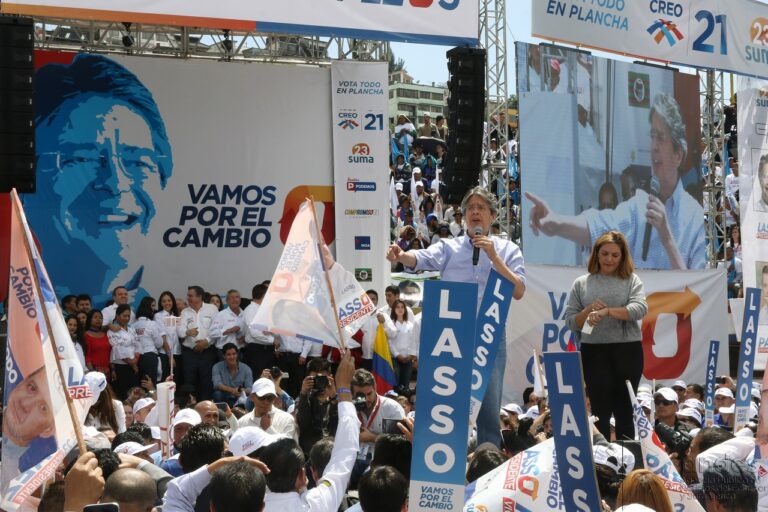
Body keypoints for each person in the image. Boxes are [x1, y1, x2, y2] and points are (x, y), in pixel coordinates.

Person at [27, 53, 173, 306]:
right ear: (28, 189)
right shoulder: (14, 324)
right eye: (82, 159)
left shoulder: (161, 315)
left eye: (138, 162)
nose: (116, 183)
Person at [387, 186, 526, 446]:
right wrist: (401, 255)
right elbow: (421, 258)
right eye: (469, 208)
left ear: (492, 216)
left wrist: (493, 257)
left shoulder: (508, 250)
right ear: (462, 217)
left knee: (488, 407)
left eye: (480, 208)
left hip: (489, 335)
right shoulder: (448, 247)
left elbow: (518, 290)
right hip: (451, 335)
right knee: (448, 404)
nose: (474, 212)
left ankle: (487, 464)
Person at [526, 93, 705, 269]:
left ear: (678, 155)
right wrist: (557, 223)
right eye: (652, 137)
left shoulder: (695, 218)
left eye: (661, 138)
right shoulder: (639, 206)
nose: (653, 147)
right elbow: (598, 226)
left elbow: (698, 294)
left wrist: (667, 238)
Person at [564, 231, 648, 440]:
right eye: (605, 254)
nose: (609, 259)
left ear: (622, 257)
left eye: (615, 255)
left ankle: (627, 461)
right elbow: (571, 321)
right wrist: (589, 310)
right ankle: (601, 464)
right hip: (594, 351)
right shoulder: (581, 283)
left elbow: (640, 309)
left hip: (627, 350)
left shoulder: (631, 280)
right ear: (596, 254)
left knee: (625, 413)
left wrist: (608, 311)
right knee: (599, 412)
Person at [260, 351, 359, 512]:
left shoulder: (250, 505)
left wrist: (335, 397)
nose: (319, 382)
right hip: (310, 457)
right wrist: (343, 390)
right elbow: (346, 449)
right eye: (314, 378)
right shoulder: (317, 504)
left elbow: (337, 427)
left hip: (329, 454)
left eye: (323, 377)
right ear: (303, 475)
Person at [1, 366, 57, 494]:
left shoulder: (37, 476)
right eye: (32, 387)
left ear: (48, 429)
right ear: (21, 382)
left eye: (43, 408)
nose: (25, 404)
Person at [177, 285, 219, 401]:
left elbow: (216, 329)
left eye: (191, 295)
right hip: (189, 353)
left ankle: (205, 408)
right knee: (189, 381)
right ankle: (190, 407)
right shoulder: (185, 312)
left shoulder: (212, 309)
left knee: (206, 381)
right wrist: (187, 331)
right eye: (188, 295)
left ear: (199, 296)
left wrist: (206, 342)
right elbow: (180, 332)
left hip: (207, 352)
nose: (188, 298)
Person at [132, 296, 171, 385]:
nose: (154, 308)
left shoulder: (133, 325)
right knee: (150, 384)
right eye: (153, 306)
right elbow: (159, 343)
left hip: (136, 358)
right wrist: (163, 338)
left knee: (140, 384)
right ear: (148, 307)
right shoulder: (152, 324)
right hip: (149, 357)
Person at [242, 284, 278, 377]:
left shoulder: (263, 310)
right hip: (257, 351)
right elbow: (255, 332)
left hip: (267, 351)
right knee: (258, 379)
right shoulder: (251, 310)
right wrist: (272, 340)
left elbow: (270, 329)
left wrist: (267, 331)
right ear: (264, 295)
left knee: (269, 380)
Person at [109, 304, 142, 399]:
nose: (127, 318)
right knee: (123, 394)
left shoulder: (131, 329)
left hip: (134, 364)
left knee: (134, 394)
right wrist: (132, 363)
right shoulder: (112, 330)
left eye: (128, 316)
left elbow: (137, 344)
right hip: (121, 366)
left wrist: (136, 359)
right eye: (124, 316)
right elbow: (117, 349)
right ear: (117, 316)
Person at [385, 299, 418, 391]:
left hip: (408, 359)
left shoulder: (410, 325)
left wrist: (411, 356)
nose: (400, 309)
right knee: (396, 383)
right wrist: (397, 355)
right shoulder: (390, 324)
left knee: (405, 384)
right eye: (397, 307)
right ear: (394, 309)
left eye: (402, 307)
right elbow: (389, 342)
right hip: (395, 358)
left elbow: (413, 341)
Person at [154, 290, 181, 381]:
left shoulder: (175, 316)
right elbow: (163, 338)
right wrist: (170, 356)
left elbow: (178, 335)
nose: (167, 303)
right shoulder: (158, 316)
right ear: (160, 303)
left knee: (176, 381)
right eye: (164, 301)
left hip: (177, 352)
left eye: (169, 300)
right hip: (165, 354)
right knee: (166, 380)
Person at [84, 309, 111, 377]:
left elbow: (109, 353)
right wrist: (93, 372)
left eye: (100, 318)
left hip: (107, 371)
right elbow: (87, 356)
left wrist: (112, 369)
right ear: (89, 319)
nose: (98, 319)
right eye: (95, 317)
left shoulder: (105, 334)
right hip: (94, 371)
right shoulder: (86, 335)